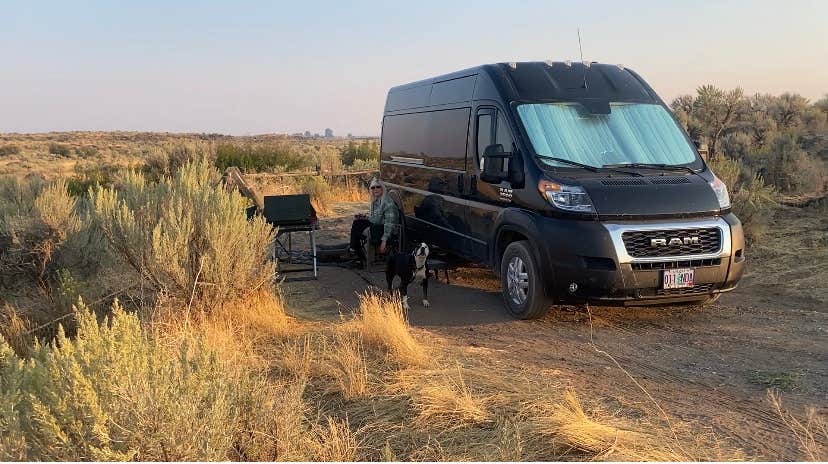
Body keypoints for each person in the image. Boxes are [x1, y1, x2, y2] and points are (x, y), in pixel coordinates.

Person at [349, 178, 398, 265]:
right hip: (376, 226)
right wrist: (365, 217)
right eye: (373, 188)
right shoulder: (376, 201)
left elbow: (389, 224)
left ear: (382, 188)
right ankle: (355, 252)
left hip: (383, 230)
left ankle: (354, 252)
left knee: (357, 227)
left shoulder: (388, 203)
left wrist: (384, 241)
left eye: (378, 187)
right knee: (357, 222)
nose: (375, 189)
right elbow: (375, 219)